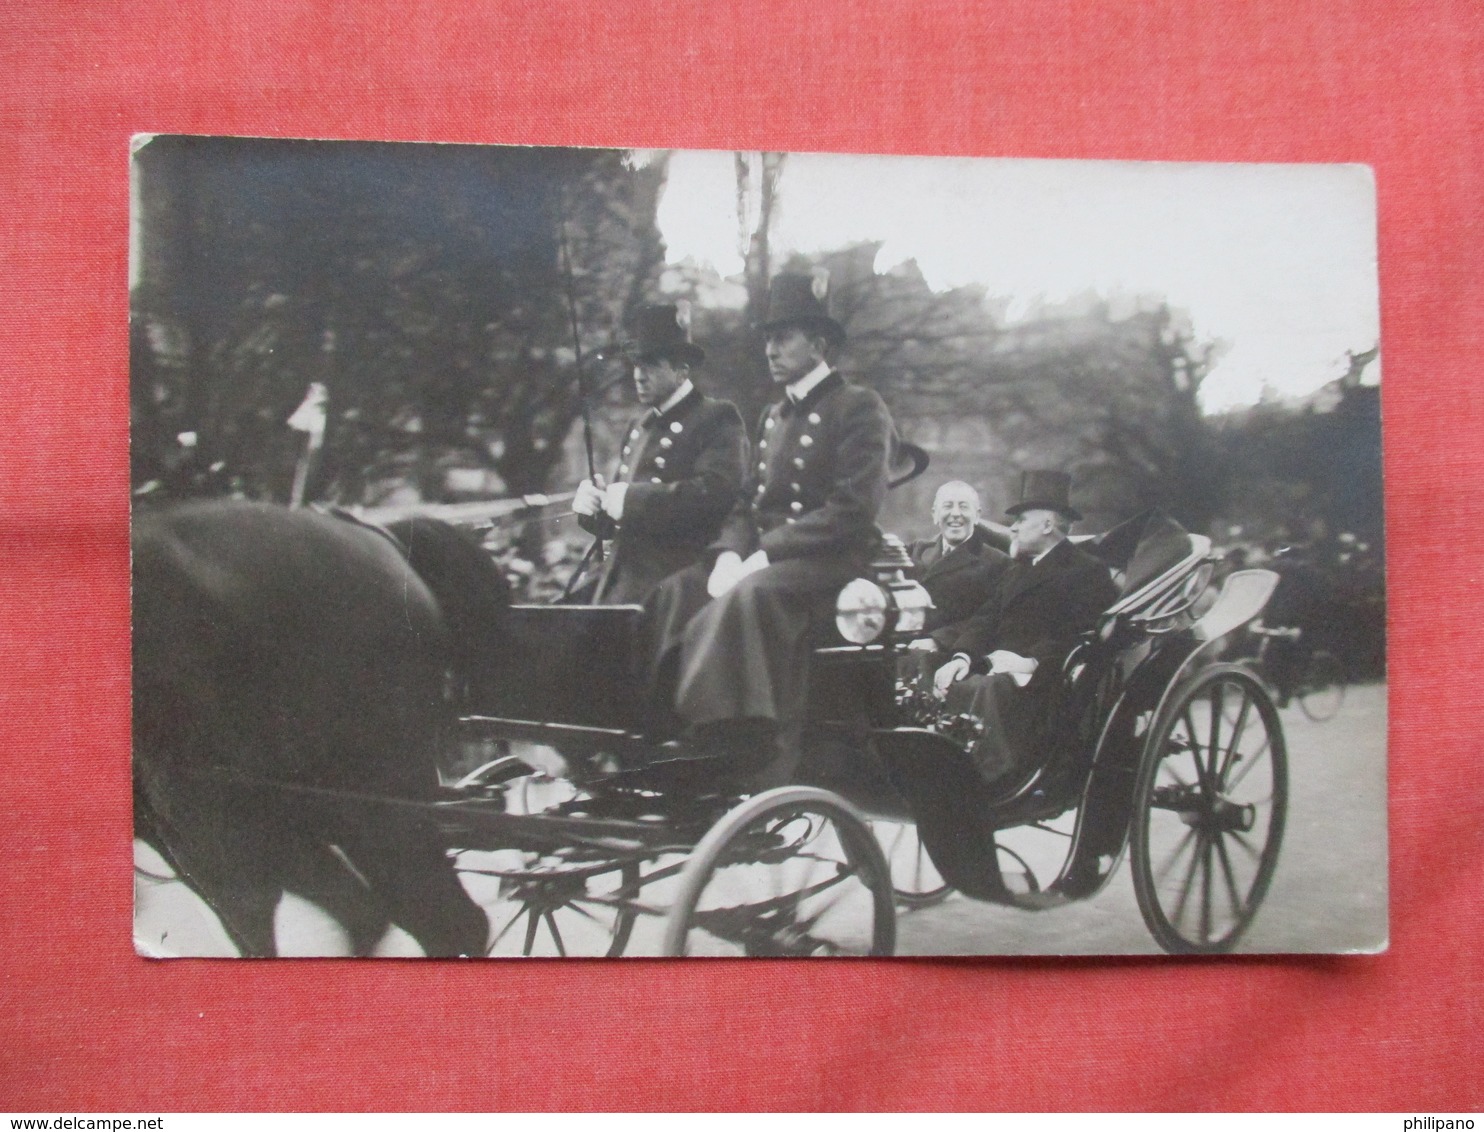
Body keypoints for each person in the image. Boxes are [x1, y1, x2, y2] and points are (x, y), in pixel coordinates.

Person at [645, 271, 895, 782]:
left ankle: (736, 738)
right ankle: (658, 728)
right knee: (676, 590)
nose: (770, 350)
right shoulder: (774, 417)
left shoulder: (859, 406)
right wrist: (729, 553)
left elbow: (853, 509)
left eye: (783, 338)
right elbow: (746, 504)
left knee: (751, 595)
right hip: (772, 559)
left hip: (833, 560)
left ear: (819, 343)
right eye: (766, 339)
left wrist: (767, 553)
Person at [931, 470, 1118, 789]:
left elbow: (1083, 636)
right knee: (936, 673)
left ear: (1047, 524)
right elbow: (984, 620)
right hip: (998, 671)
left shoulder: (1087, 571)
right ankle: (940, 769)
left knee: (985, 689)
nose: (1012, 527)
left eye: (1021, 519)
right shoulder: (1018, 570)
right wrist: (961, 657)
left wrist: (1029, 662)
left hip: (1046, 683)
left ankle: (983, 777)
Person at [572, 303, 747, 605]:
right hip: (618, 573)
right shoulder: (640, 425)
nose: (638, 375)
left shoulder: (716, 417)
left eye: (651, 364)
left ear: (681, 371)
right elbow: (620, 522)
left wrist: (629, 500)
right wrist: (593, 509)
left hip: (672, 576)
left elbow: (716, 495)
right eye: (636, 365)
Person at [905, 480, 1012, 653]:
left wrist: (938, 640)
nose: (955, 514)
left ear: (977, 516)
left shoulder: (998, 562)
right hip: (907, 649)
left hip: (955, 654)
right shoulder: (917, 550)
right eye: (947, 506)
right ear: (935, 514)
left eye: (963, 507)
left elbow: (990, 619)